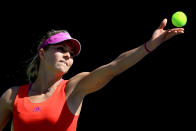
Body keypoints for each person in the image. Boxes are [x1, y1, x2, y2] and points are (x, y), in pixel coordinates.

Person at [0, 18, 184, 131]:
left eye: (71, 54)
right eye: (61, 49)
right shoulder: (12, 96)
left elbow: (114, 67)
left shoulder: (73, 88)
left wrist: (149, 45)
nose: (68, 55)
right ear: (42, 53)